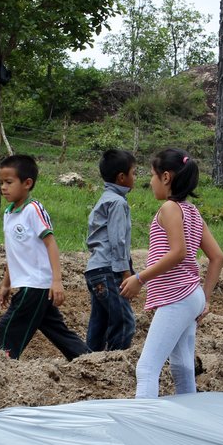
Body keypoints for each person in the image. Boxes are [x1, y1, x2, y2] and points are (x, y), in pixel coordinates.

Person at [120, 149, 223, 399]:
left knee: (146, 368)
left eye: (153, 176)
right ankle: (188, 422)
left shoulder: (169, 208)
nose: (151, 183)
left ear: (166, 177)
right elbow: (217, 257)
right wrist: (205, 299)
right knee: (182, 367)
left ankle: (145, 430)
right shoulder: (192, 211)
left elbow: (178, 252)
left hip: (176, 297)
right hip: (192, 295)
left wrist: (139, 278)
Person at [0, 154, 89, 360]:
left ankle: (2, 364)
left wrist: (57, 281)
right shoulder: (9, 214)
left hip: (36, 286)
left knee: (7, 329)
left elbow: (51, 243)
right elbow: (14, 254)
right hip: (29, 285)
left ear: (27, 183)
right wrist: (6, 284)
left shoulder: (33, 210)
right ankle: (88, 359)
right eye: (1, 182)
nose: (3, 187)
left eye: (9, 182)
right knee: (58, 331)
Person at [84, 149, 137, 351]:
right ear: (121, 178)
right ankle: (114, 362)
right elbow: (118, 240)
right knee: (125, 322)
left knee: (100, 322)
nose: (135, 177)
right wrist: (125, 272)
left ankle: (89, 359)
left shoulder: (105, 199)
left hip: (95, 270)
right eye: (133, 173)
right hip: (109, 270)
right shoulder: (117, 203)